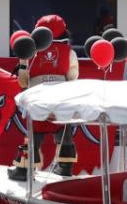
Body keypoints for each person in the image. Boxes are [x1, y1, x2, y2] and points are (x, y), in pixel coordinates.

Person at [9, 14, 81, 180]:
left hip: (37, 99)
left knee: (34, 134)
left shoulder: (30, 50)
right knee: (64, 131)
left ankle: (24, 170)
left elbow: (23, 80)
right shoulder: (69, 52)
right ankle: (65, 167)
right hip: (61, 100)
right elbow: (73, 77)